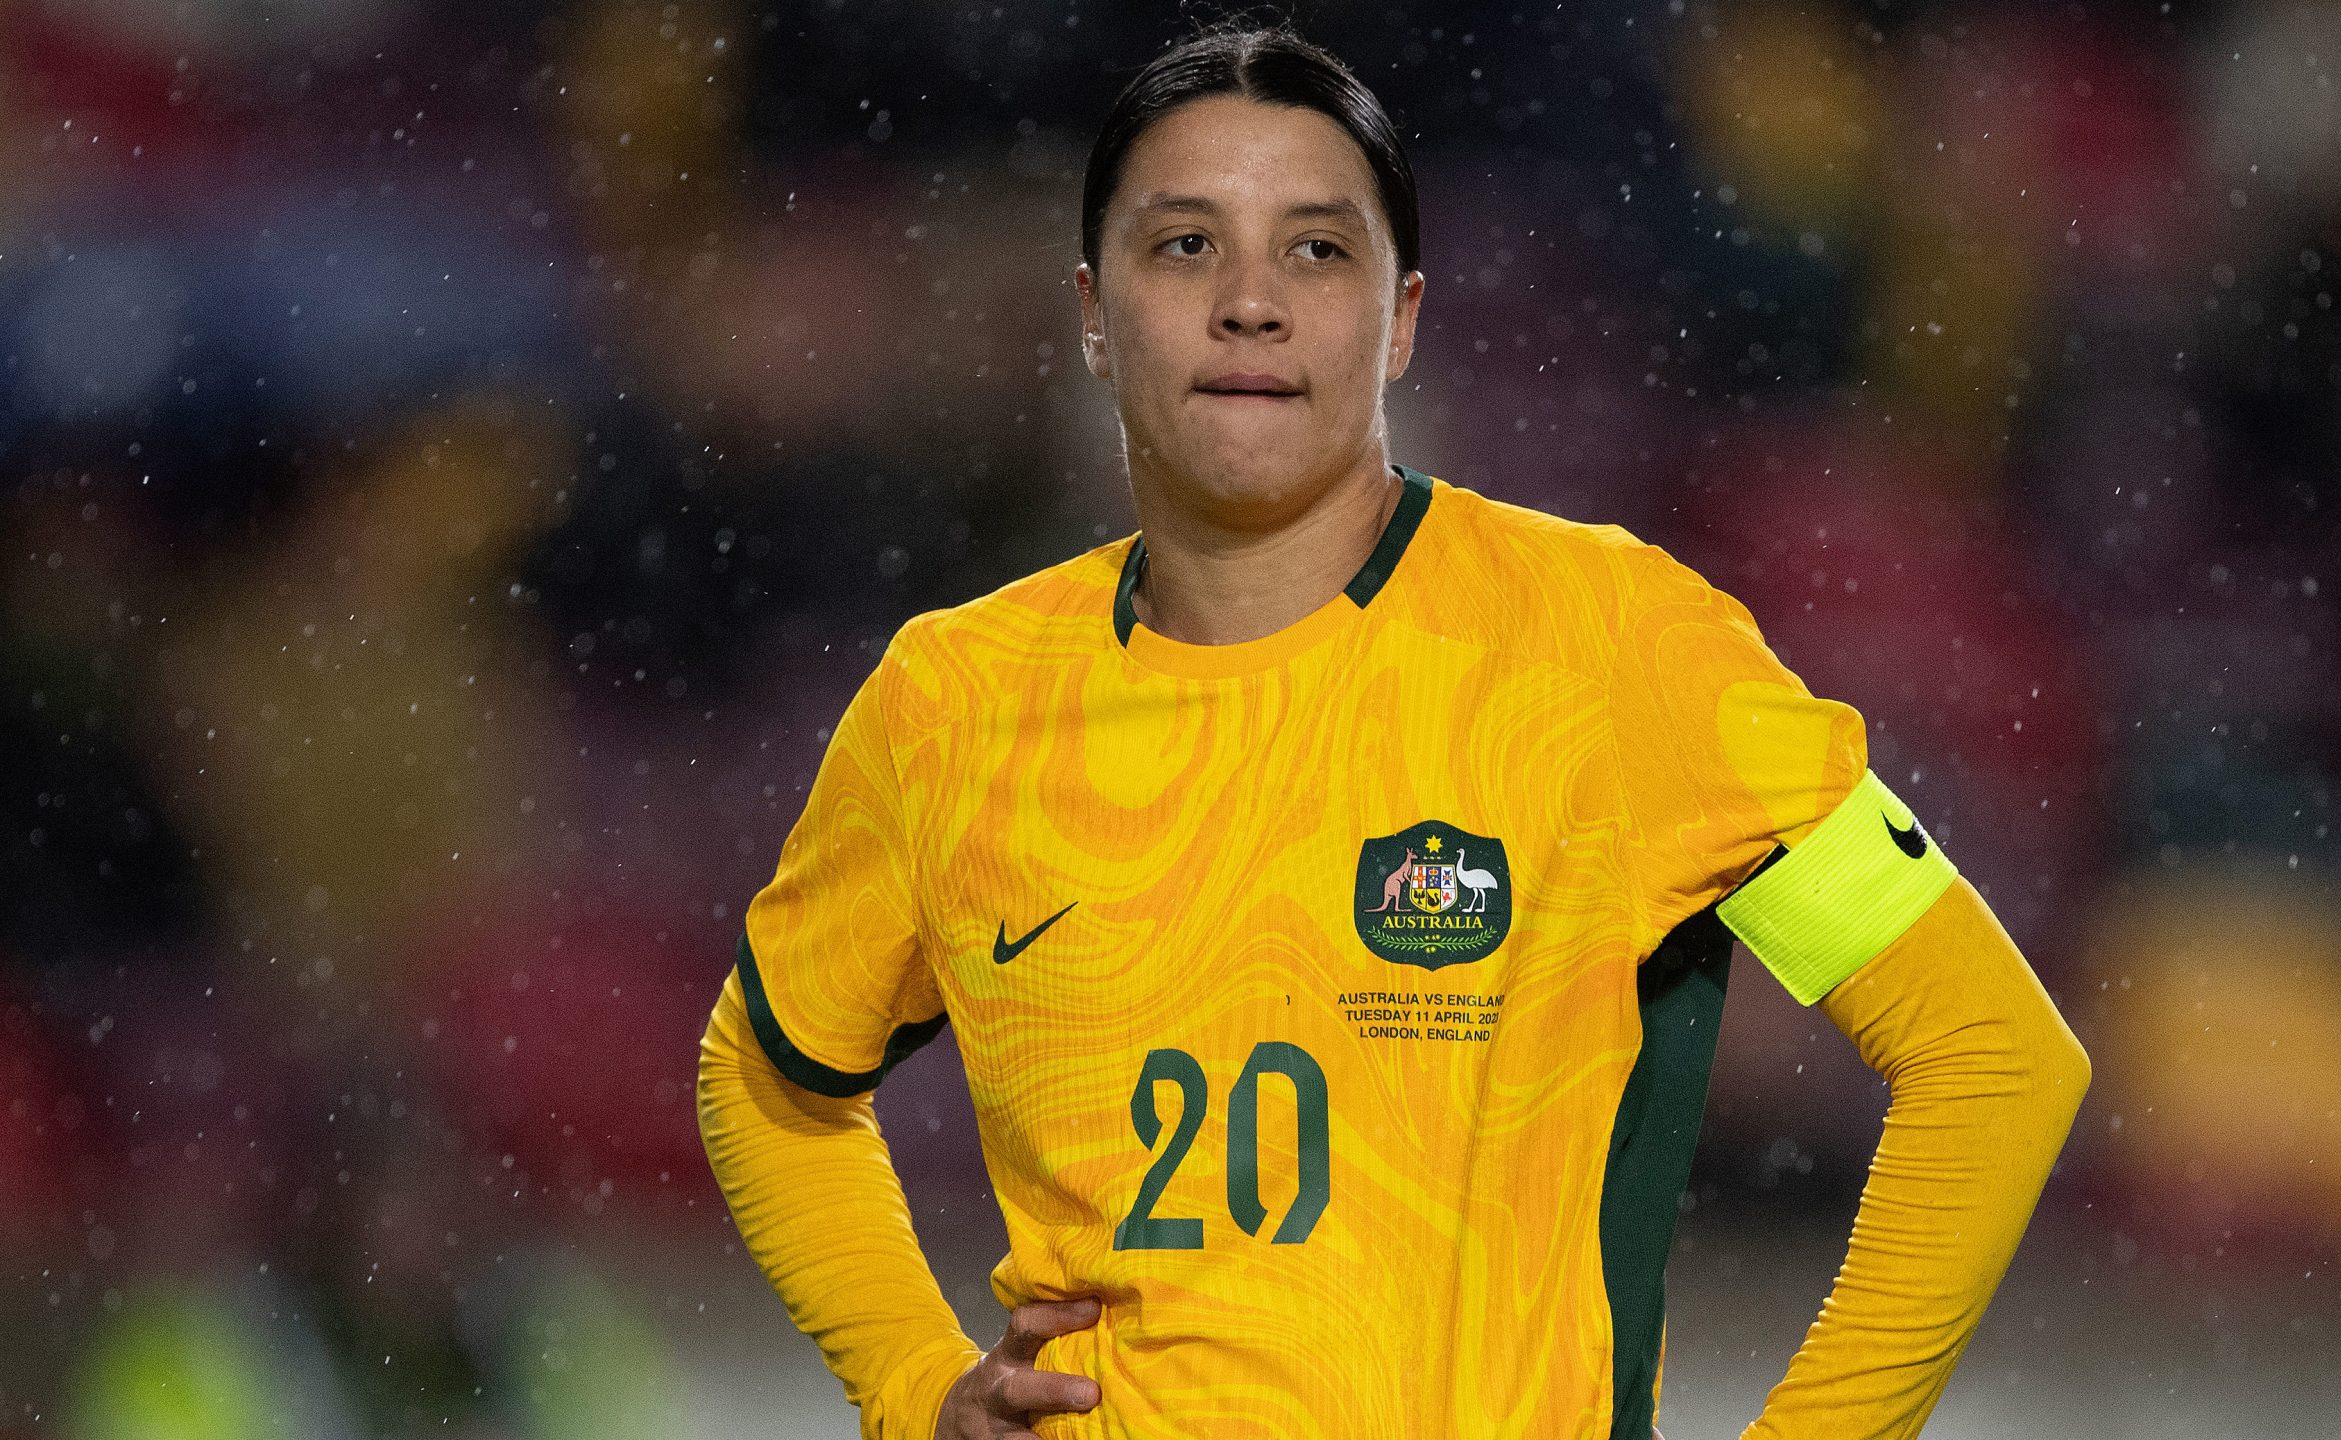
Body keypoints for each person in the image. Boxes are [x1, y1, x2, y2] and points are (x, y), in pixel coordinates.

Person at [695, 18, 2091, 1440]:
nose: (1251, 301)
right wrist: (907, 1376)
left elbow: (1991, 1056)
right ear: (1092, 313)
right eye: (1185, 245)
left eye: (1316, 249)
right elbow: (764, 1076)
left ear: (1405, 318)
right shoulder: (953, 700)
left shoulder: (1610, 644)